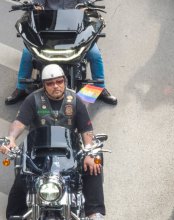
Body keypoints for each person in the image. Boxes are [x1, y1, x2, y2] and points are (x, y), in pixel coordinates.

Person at [5, 0, 117, 106]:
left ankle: (100, 88)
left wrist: (86, 8)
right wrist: (36, 7)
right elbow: (38, 3)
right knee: (27, 53)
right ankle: (21, 88)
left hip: (74, 30)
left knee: (94, 54)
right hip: (49, 30)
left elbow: (85, 5)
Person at [1, 64, 106, 220]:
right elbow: (19, 122)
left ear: (64, 80)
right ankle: (14, 215)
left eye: (59, 81)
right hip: (38, 151)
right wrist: (11, 138)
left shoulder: (75, 100)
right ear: (44, 85)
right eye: (50, 83)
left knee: (93, 165)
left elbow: (86, 129)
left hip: (69, 150)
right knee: (22, 174)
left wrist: (89, 150)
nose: (55, 86)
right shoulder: (33, 99)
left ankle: (94, 212)